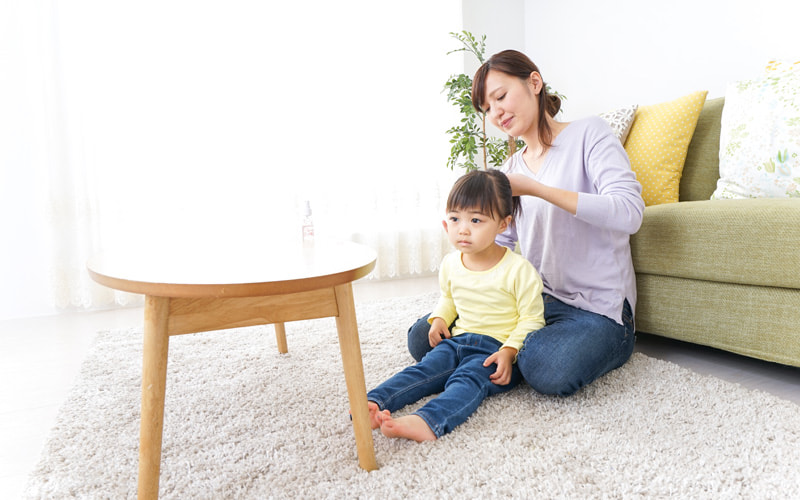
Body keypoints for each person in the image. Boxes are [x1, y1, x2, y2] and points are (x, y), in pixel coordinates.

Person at [407, 49, 645, 396]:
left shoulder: (588, 134)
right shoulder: (509, 170)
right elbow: (500, 243)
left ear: (534, 82)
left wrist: (537, 189)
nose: (497, 112)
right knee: (422, 337)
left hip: (597, 310)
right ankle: (499, 353)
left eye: (501, 96)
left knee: (547, 364)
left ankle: (492, 354)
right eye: (488, 109)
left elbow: (629, 212)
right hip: (533, 301)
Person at [366, 169, 546, 442]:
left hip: (494, 350)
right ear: (445, 223)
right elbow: (449, 298)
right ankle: (374, 402)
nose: (463, 228)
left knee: (467, 381)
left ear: (503, 224)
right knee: (423, 369)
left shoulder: (519, 271)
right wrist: (439, 319)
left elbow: (531, 320)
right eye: (454, 219)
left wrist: (509, 352)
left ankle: (428, 421)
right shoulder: (451, 263)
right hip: (457, 340)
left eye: (475, 220)